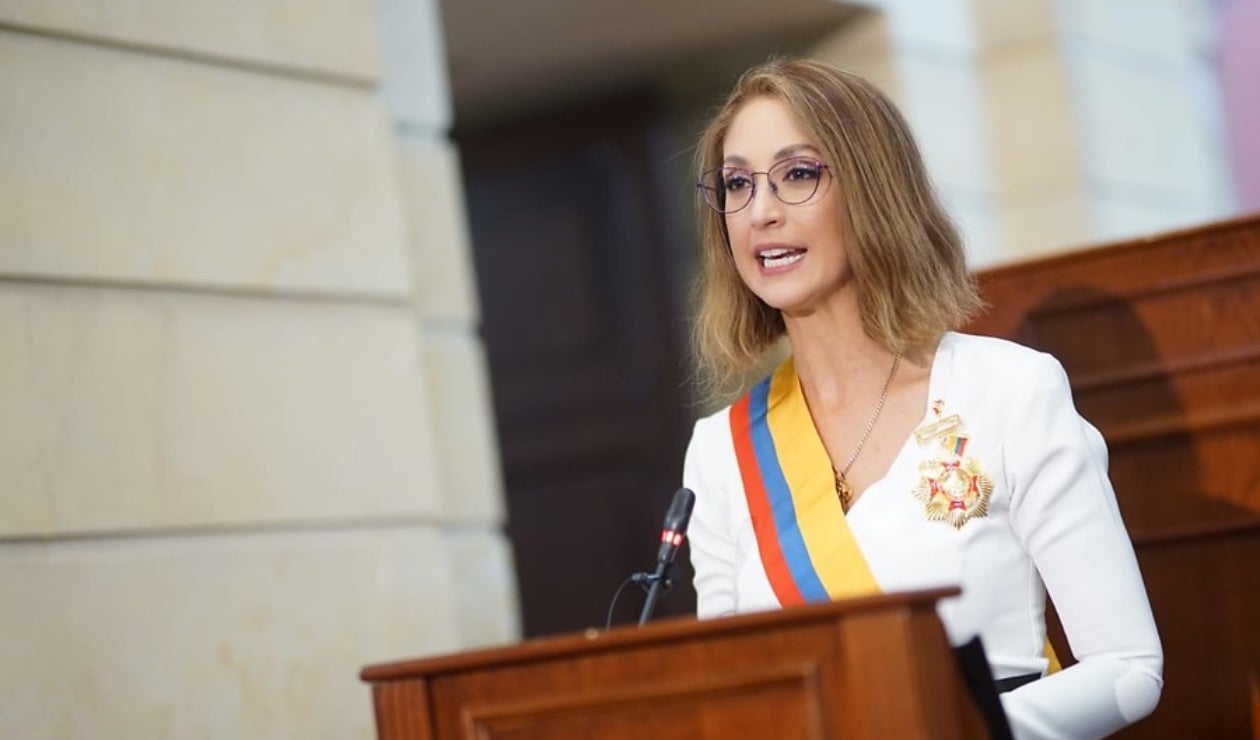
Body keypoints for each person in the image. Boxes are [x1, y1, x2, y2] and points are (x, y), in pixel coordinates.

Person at [681, 58, 1163, 739]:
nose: (760, 212)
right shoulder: (720, 451)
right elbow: (734, 698)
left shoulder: (1009, 390)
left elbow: (1129, 667)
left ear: (874, 190)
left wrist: (947, 727)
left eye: (797, 174)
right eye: (736, 183)